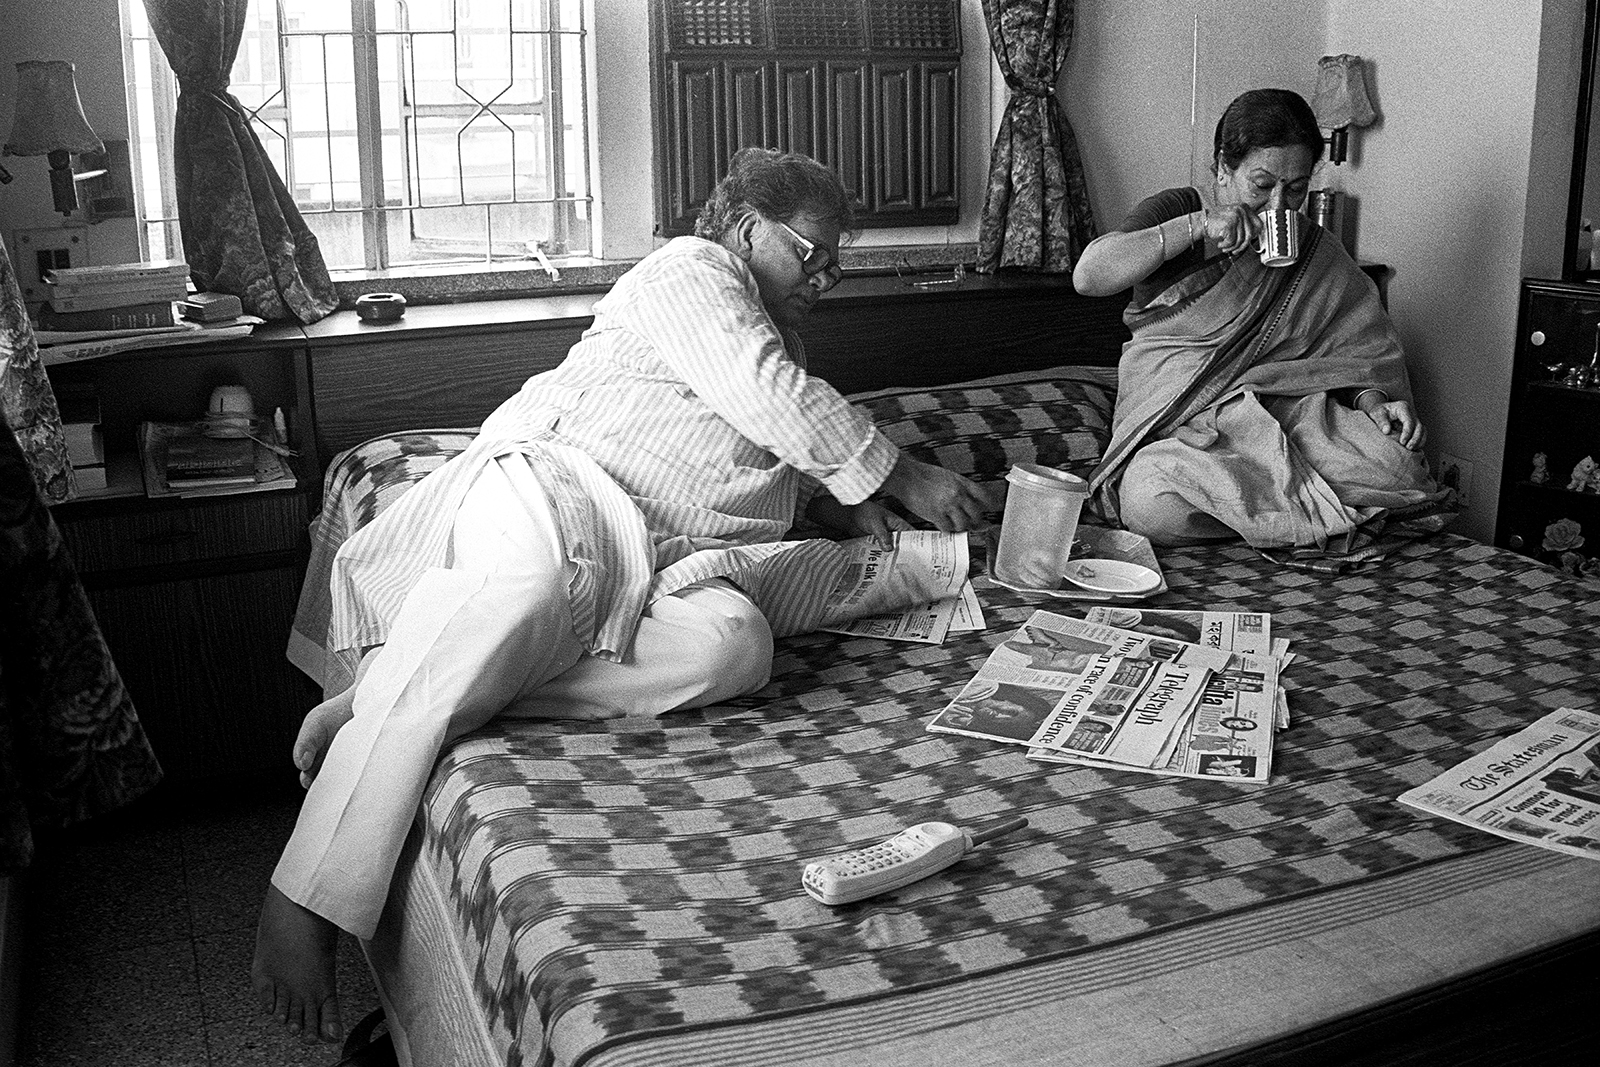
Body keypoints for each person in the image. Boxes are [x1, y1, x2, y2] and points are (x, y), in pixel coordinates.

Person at [252, 147, 992, 1042]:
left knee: (735, 644)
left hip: (643, 566)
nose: (825, 278)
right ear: (747, 229)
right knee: (528, 592)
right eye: (812, 252)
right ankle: (304, 892)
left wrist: (846, 507)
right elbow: (769, 391)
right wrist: (904, 473)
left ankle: (393, 689)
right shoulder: (691, 273)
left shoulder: (780, 354)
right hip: (550, 486)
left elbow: (764, 463)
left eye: (836, 263)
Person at [1073, 88, 1447, 552]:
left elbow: (1352, 352)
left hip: (1290, 419)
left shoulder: (1315, 250)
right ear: (1223, 168)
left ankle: (1268, 515)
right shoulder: (1176, 210)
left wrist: (1374, 404)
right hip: (1196, 434)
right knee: (1149, 502)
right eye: (1262, 185)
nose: (1278, 207)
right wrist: (1198, 225)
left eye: (1296, 190)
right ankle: (1305, 514)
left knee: (1399, 463)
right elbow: (1089, 276)